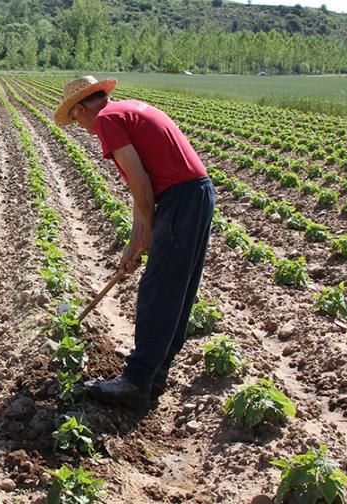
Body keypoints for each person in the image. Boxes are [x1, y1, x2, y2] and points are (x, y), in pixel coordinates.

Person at [53, 76, 215, 409]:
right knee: (175, 291)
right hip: (193, 195)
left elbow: (141, 183)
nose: (79, 126)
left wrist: (150, 229)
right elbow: (142, 188)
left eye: (74, 118)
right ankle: (154, 375)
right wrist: (136, 241)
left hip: (180, 200)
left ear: (82, 108)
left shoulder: (107, 120)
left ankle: (137, 380)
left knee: (159, 291)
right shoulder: (127, 111)